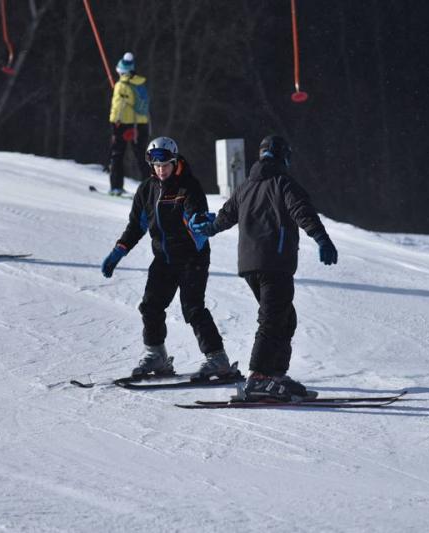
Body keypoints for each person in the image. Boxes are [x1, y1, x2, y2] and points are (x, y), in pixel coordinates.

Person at [191, 135, 338, 402]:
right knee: (272, 320)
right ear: (284, 157)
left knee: (284, 318)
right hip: (275, 262)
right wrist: (322, 239)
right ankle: (258, 377)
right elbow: (302, 211)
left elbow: (225, 216)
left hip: (250, 265)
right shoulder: (283, 183)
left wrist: (209, 229)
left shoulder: (246, 186)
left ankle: (275, 375)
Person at [101, 137, 235, 380]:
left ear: (174, 162)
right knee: (150, 306)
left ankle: (218, 359)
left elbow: (195, 213)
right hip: (163, 259)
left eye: (165, 165)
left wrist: (198, 221)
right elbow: (136, 226)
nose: (161, 170)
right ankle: (156, 356)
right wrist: (119, 251)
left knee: (192, 308)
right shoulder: (147, 190)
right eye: (157, 166)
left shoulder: (188, 186)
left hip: (192, 257)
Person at [107, 52, 150, 196]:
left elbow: (118, 108)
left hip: (124, 125)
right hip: (141, 125)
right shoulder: (139, 82)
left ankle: (116, 187)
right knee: (142, 157)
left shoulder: (121, 85)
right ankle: (151, 188)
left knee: (117, 155)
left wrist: (114, 123)